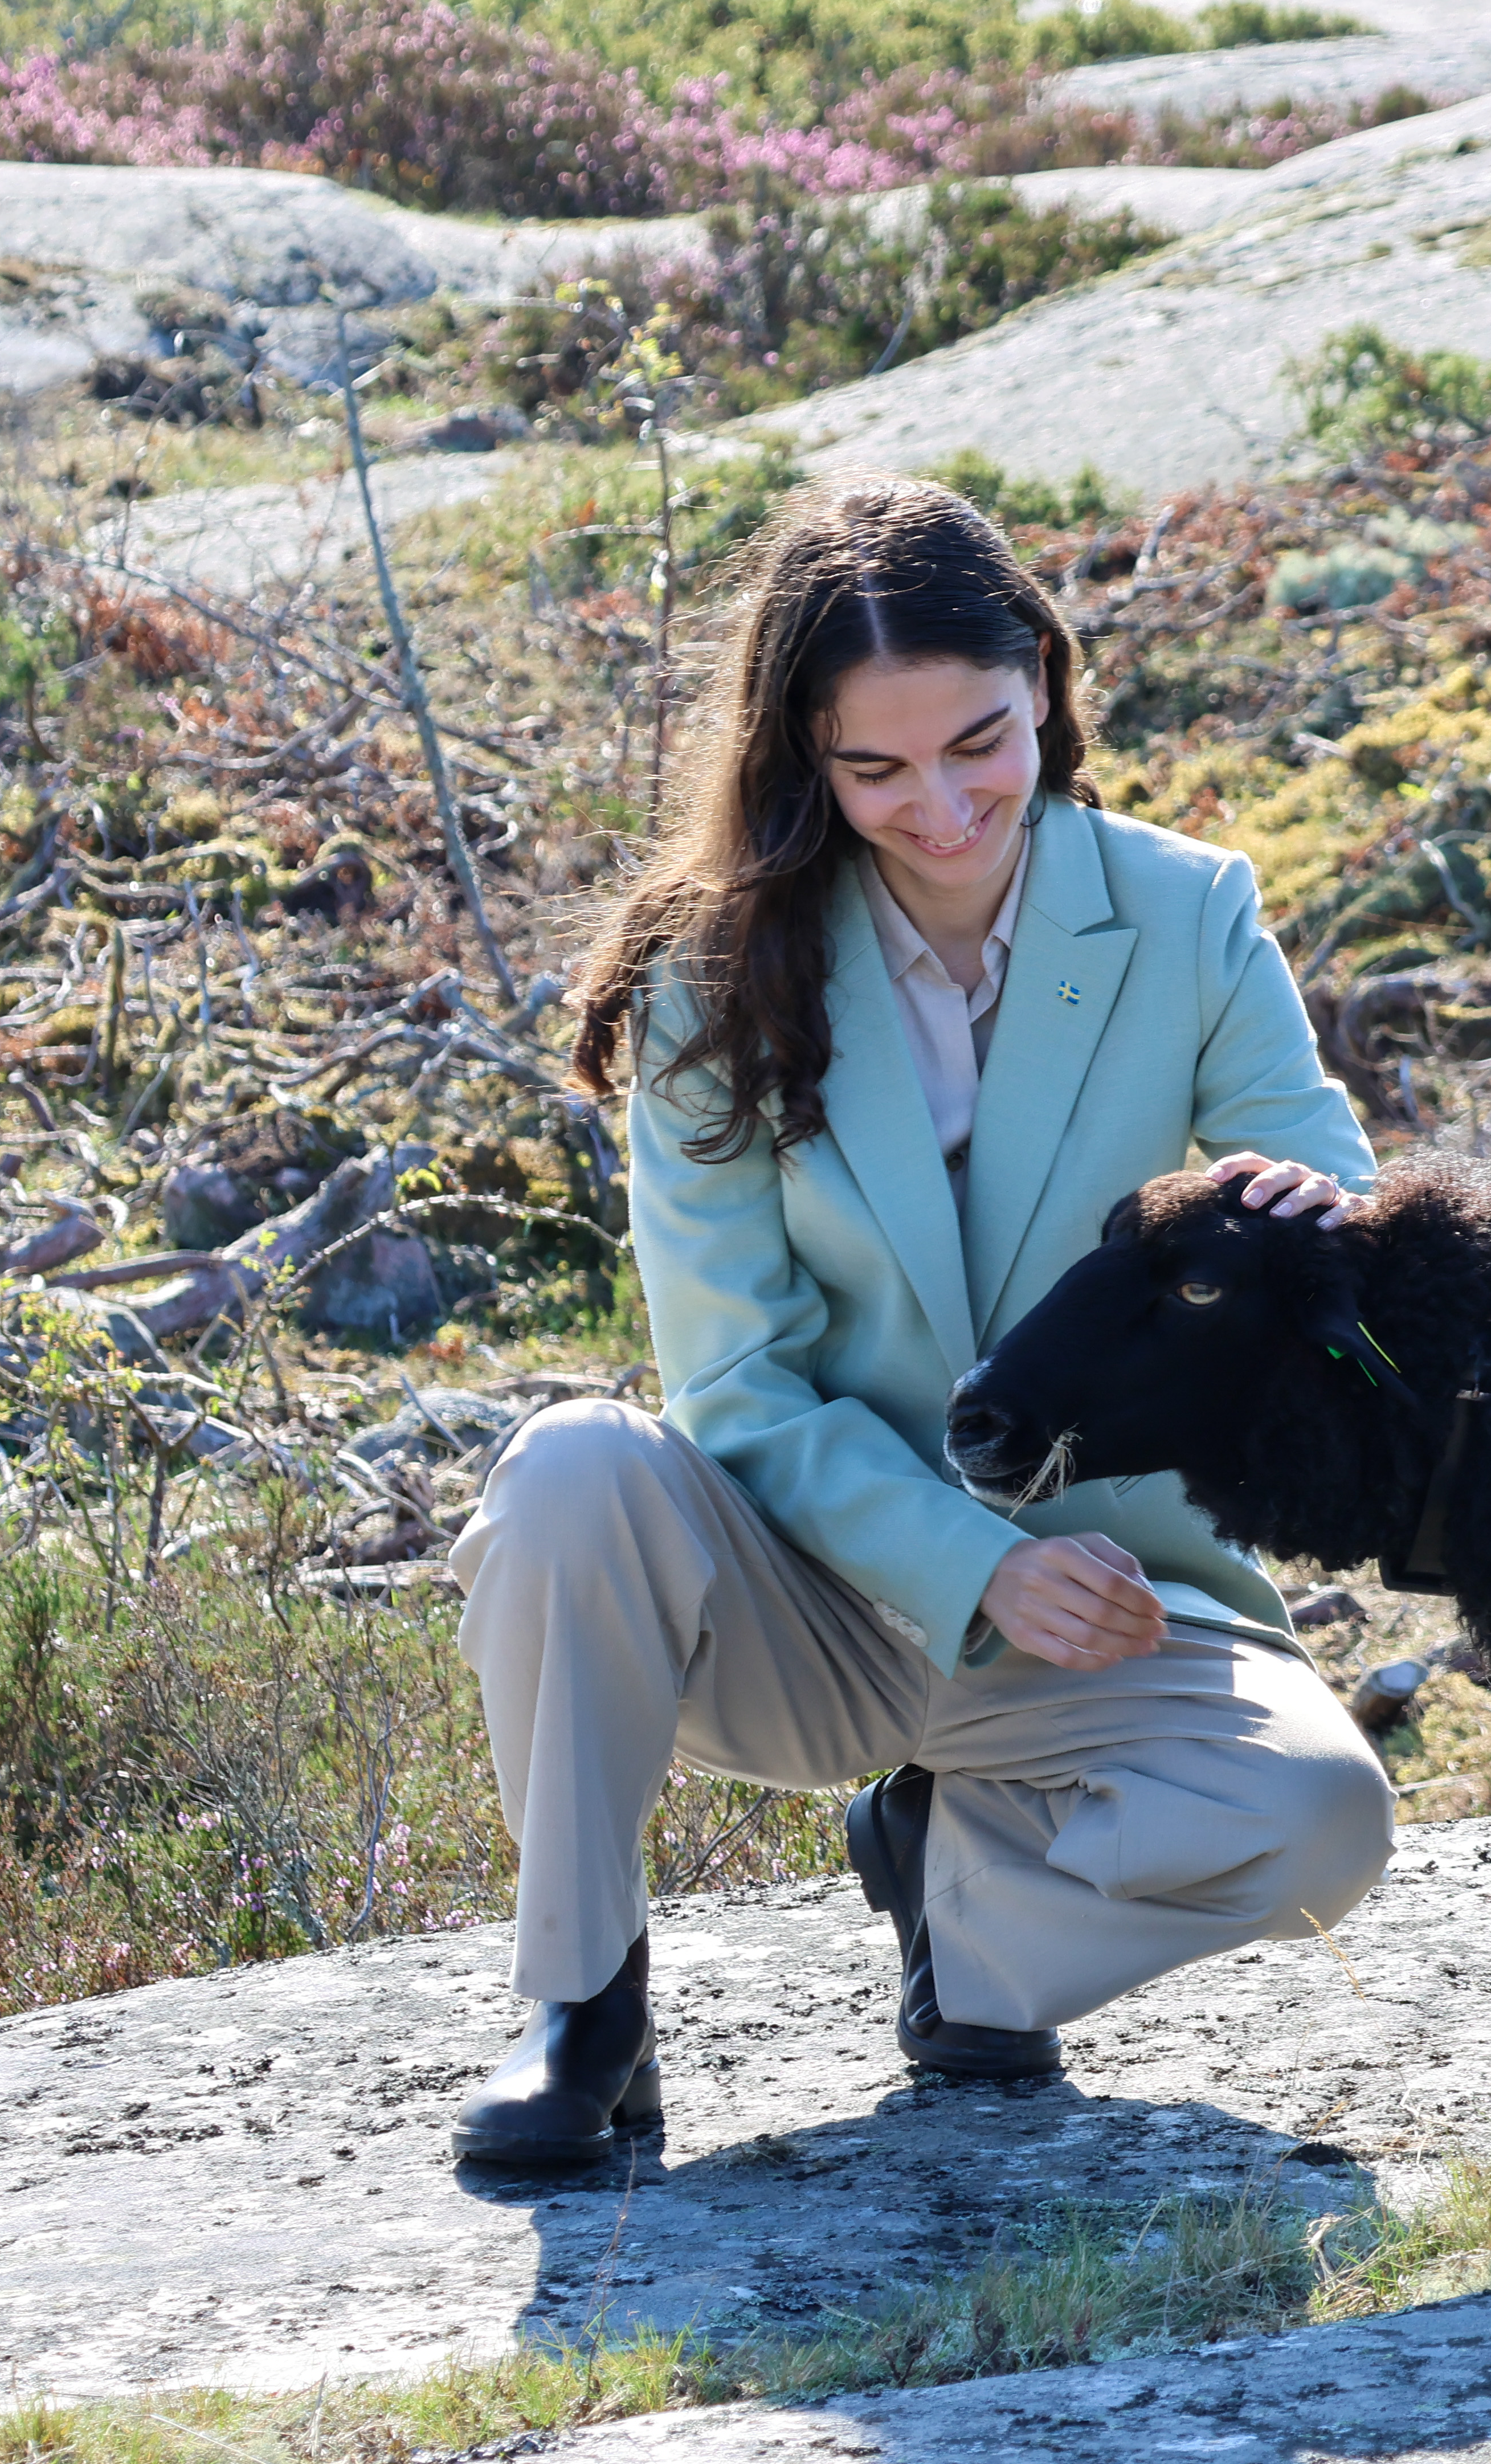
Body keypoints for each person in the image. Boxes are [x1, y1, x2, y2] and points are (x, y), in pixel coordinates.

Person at [439, 473, 1395, 2169]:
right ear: (801, 759)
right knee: (573, 1471)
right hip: (811, 1593)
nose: (943, 808)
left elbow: (1312, 1163)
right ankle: (585, 2007)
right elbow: (733, 1382)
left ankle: (961, 1912)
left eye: (980, 743)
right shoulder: (709, 975)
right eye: (875, 770)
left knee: (1322, 1823)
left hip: (1118, 1595)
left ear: (1043, 677)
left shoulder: (1188, 911)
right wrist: (973, 1565)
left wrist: (1315, 1214)